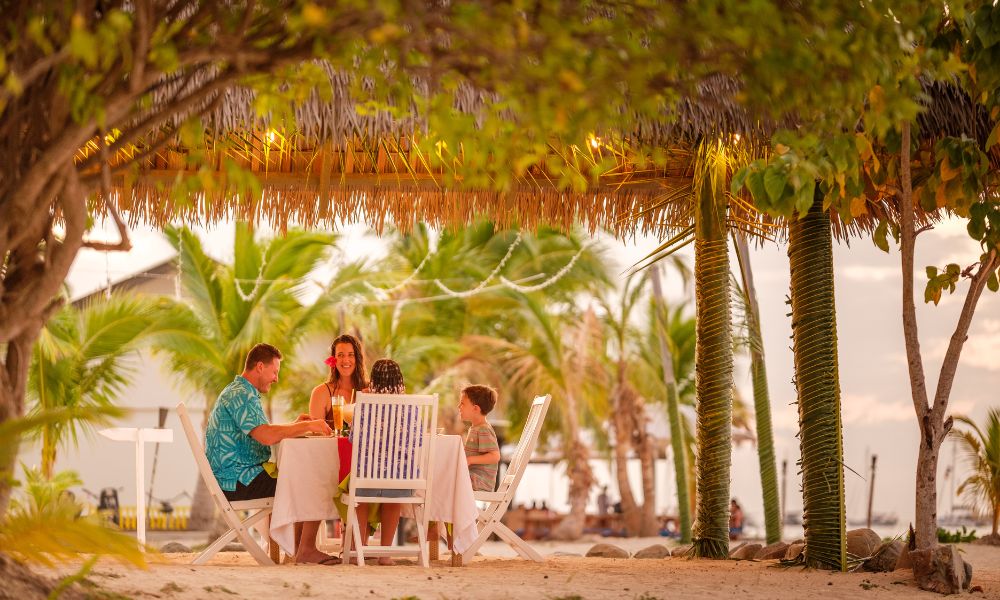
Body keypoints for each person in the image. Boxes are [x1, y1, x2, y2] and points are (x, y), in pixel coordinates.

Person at [205, 343, 336, 565]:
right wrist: (308, 427)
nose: (276, 378)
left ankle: (297, 550)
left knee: (303, 476)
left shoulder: (240, 392)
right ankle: (305, 550)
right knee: (315, 480)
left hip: (235, 477)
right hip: (238, 481)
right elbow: (266, 436)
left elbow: (262, 432)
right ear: (259, 367)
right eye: (274, 372)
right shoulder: (241, 395)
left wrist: (294, 425)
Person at [352, 358, 409, 565]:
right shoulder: (409, 406)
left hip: (367, 474)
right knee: (393, 499)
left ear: (373, 380)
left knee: (361, 499)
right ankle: (385, 554)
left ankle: (357, 549)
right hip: (400, 477)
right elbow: (418, 439)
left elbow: (353, 439)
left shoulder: (364, 405)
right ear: (399, 379)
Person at [309, 333, 368, 429]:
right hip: (331, 444)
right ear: (333, 359)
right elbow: (316, 434)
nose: (345, 360)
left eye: (351, 355)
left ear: (358, 359)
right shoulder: (321, 393)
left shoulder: (369, 389)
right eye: (340, 355)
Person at [458, 384, 501, 492]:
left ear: (475, 408)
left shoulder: (483, 429)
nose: (459, 406)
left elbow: (495, 456)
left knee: (446, 478)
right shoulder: (476, 428)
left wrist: (470, 460)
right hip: (473, 477)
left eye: (462, 403)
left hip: (479, 481)